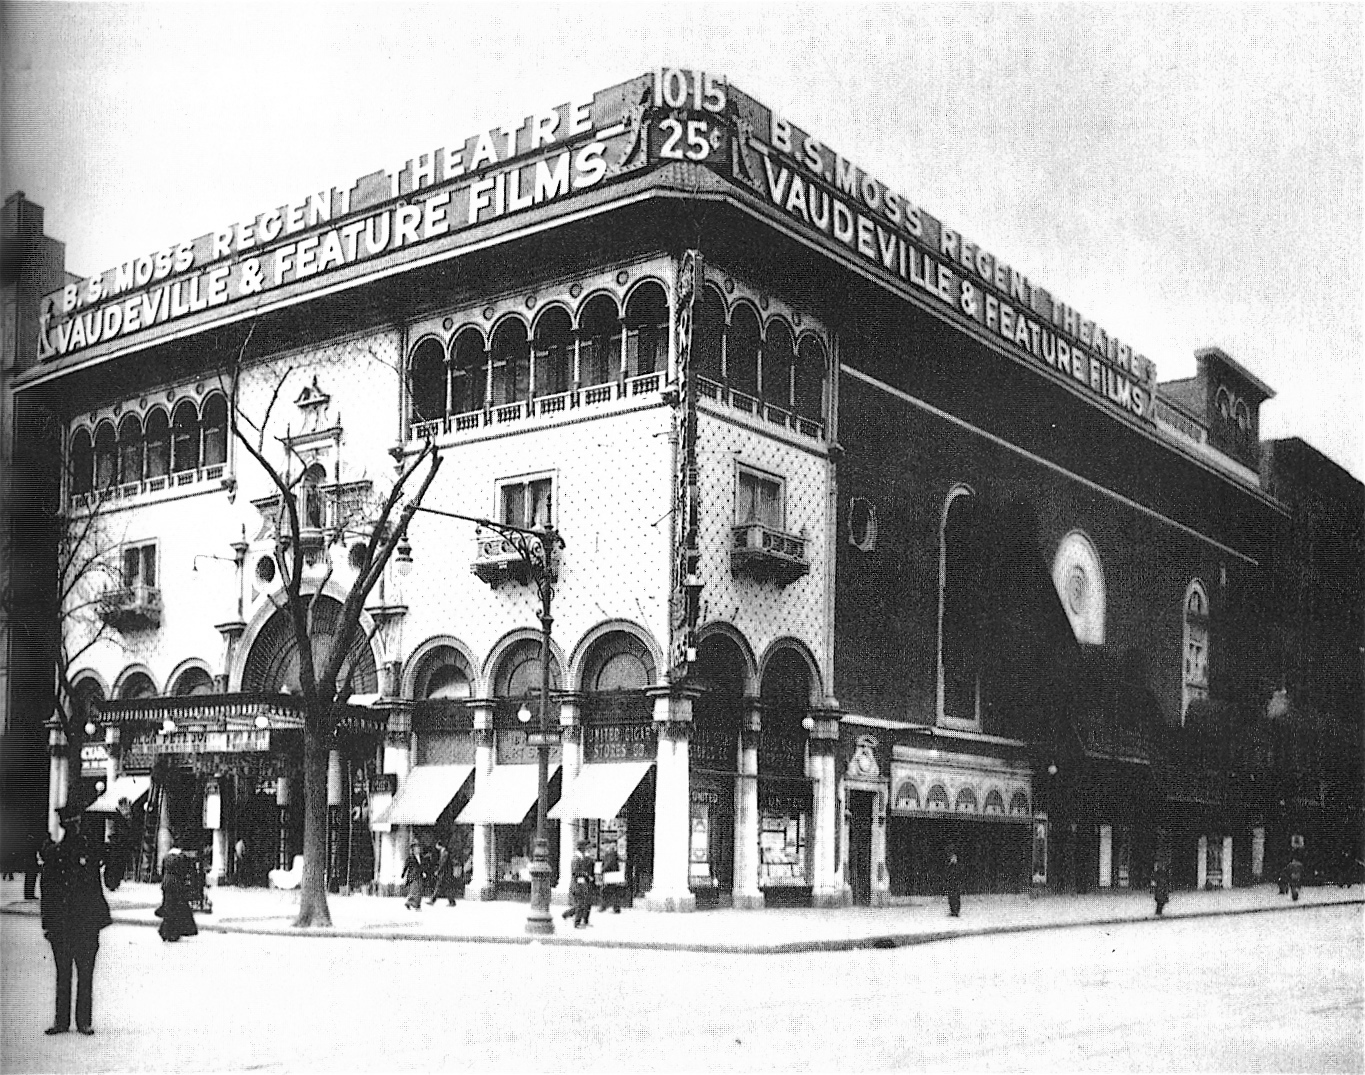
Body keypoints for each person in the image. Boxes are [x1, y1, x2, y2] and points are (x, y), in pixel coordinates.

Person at [41, 802, 111, 1035]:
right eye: (72, 821)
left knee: (84, 973)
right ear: (65, 825)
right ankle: (62, 1022)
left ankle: (83, 1021)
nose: (76, 825)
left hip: (85, 925)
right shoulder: (55, 854)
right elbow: (48, 893)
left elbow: (98, 888)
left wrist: (98, 923)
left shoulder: (89, 852)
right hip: (62, 925)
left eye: (77, 821)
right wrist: (48, 924)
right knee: (64, 974)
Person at [156, 846, 198, 942]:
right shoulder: (182, 858)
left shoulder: (166, 857)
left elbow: (162, 871)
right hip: (177, 884)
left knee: (168, 907)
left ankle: (165, 931)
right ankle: (171, 933)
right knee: (176, 908)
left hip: (166, 883)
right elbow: (186, 871)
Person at [103, 799, 132, 892]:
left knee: (119, 864)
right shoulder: (113, 815)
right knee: (113, 863)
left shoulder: (122, 816)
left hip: (121, 843)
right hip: (115, 843)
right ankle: (111, 883)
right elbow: (111, 830)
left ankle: (114, 882)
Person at [567, 840, 597, 928]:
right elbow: (575, 872)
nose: (588, 849)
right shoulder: (576, 858)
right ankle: (577, 923)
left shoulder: (582, 857)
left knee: (585, 903)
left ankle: (581, 921)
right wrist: (586, 875)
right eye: (586, 847)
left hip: (583, 884)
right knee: (580, 904)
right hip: (578, 884)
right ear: (582, 848)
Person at [598, 843, 625, 914]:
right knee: (615, 892)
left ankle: (603, 906)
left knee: (604, 891)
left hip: (609, 875)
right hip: (614, 876)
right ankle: (616, 908)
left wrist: (602, 870)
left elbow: (608, 864)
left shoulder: (610, 854)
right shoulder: (615, 854)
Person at [402, 843, 427, 911]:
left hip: (420, 876)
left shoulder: (422, 857)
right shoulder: (410, 858)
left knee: (419, 891)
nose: (418, 850)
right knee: (415, 891)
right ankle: (416, 906)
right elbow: (406, 866)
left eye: (418, 849)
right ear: (413, 850)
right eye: (416, 849)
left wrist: (424, 872)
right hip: (413, 876)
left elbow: (423, 866)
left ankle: (410, 903)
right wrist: (403, 874)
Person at [945, 851, 963, 918]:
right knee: (951, 897)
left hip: (955, 884)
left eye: (954, 858)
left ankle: (956, 911)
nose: (952, 859)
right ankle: (953, 911)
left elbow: (958, 875)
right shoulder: (950, 865)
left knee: (956, 897)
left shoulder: (956, 866)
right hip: (951, 884)